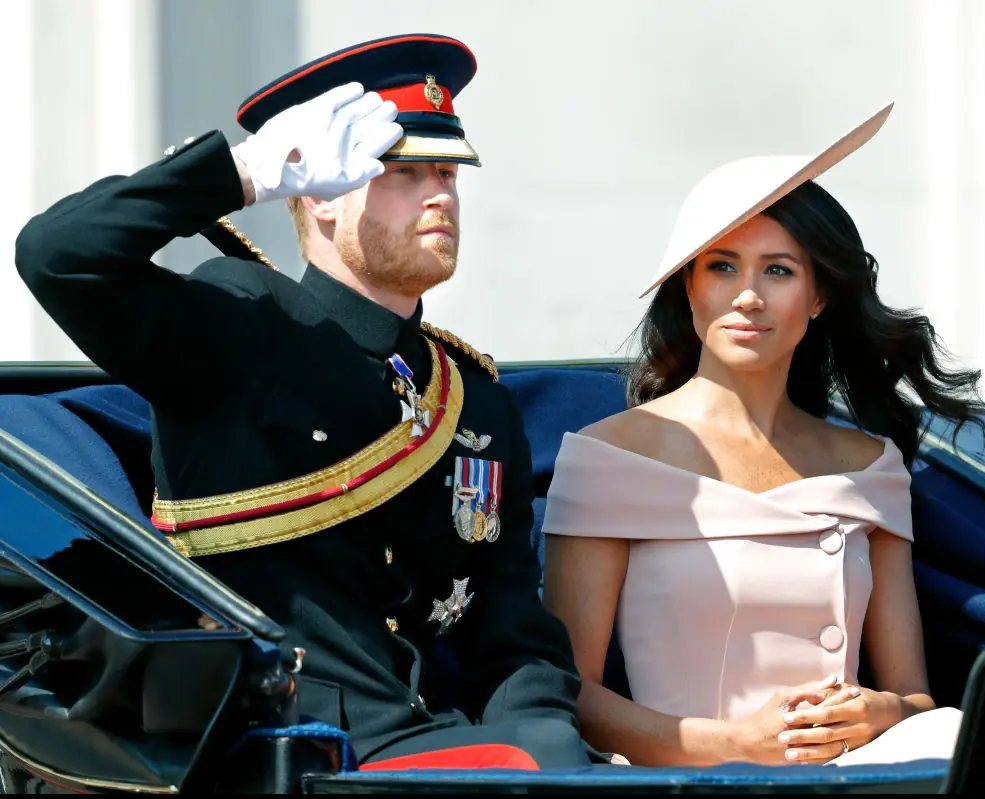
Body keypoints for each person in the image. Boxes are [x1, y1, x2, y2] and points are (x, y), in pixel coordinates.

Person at [14, 33, 596, 770]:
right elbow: (58, 255)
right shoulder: (243, 322)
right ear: (321, 194)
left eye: (448, 171)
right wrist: (242, 175)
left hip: (433, 745)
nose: (440, 193)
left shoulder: (473, 401)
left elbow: (512, 632)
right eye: (404, 172)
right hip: (283, 743)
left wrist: (544, 746)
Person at [540, 102, 985, 768]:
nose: (747, 295)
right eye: (722, 266)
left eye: (777, 270)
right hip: (686, 782)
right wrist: (729, 744)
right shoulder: (609, 456)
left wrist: (885, 710)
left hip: (857, 779)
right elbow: (569, 694)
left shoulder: (871, 465)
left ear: (818, 296)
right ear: (688, 288)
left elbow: (913, 694)